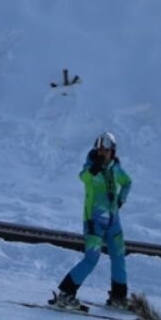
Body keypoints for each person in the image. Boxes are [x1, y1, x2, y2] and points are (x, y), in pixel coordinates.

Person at [50, 132, 133, 309]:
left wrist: (120, 199)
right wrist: (93, 168)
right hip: (94, 221)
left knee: (119, 256)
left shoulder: (115, 168)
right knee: (91, 259)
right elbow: (83, 178)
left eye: (107, 150)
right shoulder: (91, 168)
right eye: (100, 149)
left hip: (113, 221)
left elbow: (127, 182)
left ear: (113, 151)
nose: (103, 153)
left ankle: (119, 297)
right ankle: (66, 294)